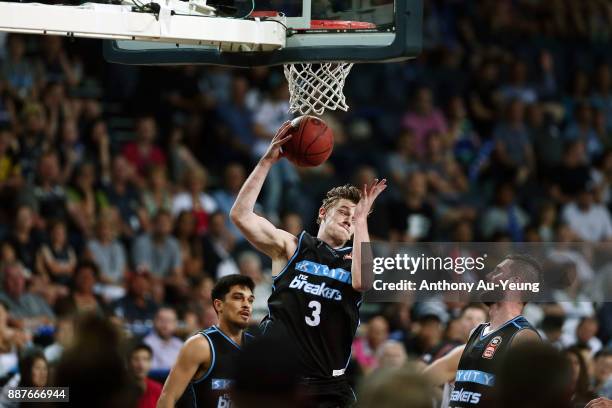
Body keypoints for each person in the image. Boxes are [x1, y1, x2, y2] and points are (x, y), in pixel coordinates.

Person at [230, 121, 387, 407]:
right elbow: (240, 215)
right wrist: (266, 161)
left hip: (328, 388)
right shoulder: (293, 246)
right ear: (323, 212)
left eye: (354, 218)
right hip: (279, 379)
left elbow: (363, 282)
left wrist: (362, 220)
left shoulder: (355, 259)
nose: (348, 219)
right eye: (343, 211)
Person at [424, 254, 542, 407]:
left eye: (498, 271)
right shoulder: (477, 333)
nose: (488, 276)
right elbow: (424, 380)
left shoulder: (523, 336)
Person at [156, 274, 254, 408]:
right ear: (219, 305)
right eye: (238, 298)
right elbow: (167, 400)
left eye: (250, 300)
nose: (246, 305)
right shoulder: (200, 345)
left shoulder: (255, 347)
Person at [129, 343, 162, 408]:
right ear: (128, 362)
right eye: (136, 359)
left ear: (150, 363)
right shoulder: (119, 390)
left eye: (145, 359)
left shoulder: (157, 389)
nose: (141, 365)